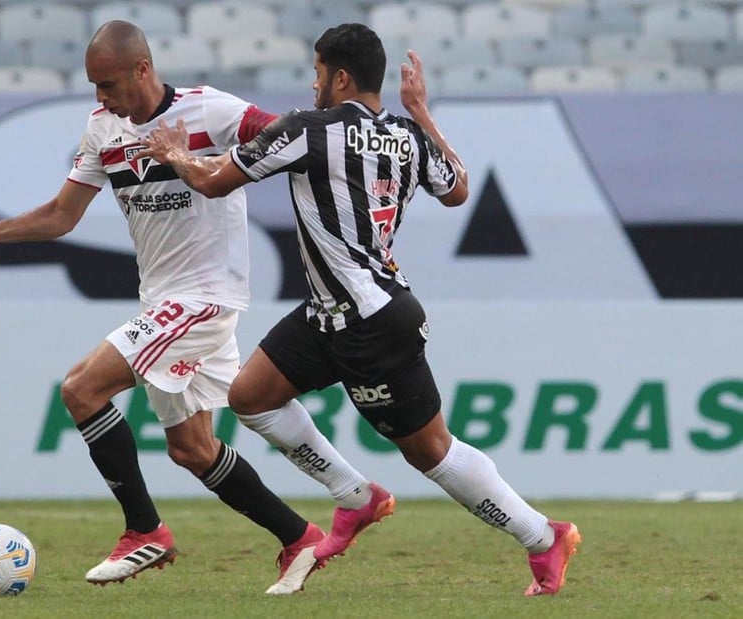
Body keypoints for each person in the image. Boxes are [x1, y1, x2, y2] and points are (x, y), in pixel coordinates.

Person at [139, 23, 581, 596]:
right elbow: (457, 190)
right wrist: (421, 113)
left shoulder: (306, 129)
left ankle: (543, 537)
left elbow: (215, 182)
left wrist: (175, 153)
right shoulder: (406, 135)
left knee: (431, 451)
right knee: (250, 396)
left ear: (341, 77)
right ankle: (355, 495)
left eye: (318, 72)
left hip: (371, 321)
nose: (313, 83)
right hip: (329, 312)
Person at [0, 20, 386, 596]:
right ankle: (298, 536)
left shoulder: (210, 110)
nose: (101, 96)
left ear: (142, 69)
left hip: (205, 298)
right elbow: (62, 215)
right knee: (191, 449)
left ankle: (143, 530)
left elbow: (290, 138)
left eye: (109, 84)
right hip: (162, 300)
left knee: (81, 389)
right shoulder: (102, 128)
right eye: (94, 85)